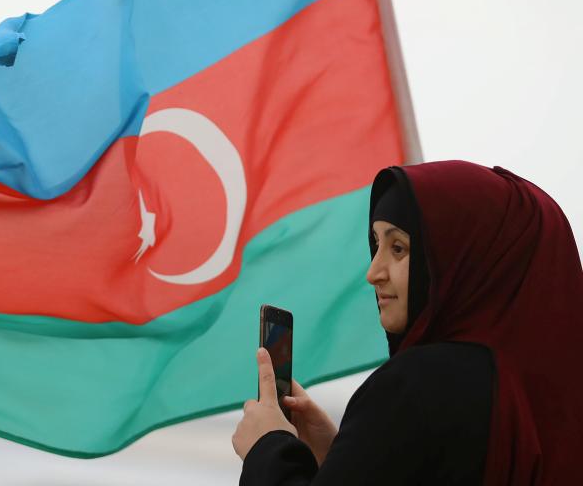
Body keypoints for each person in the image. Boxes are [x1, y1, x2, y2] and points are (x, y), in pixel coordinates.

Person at [232, 160, 583, 484]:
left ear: (458, 257)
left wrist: (266, 448)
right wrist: (344, 452)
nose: (373, 273)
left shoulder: (417, 386)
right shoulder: (549, 404)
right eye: (376, 244)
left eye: (398, 248)